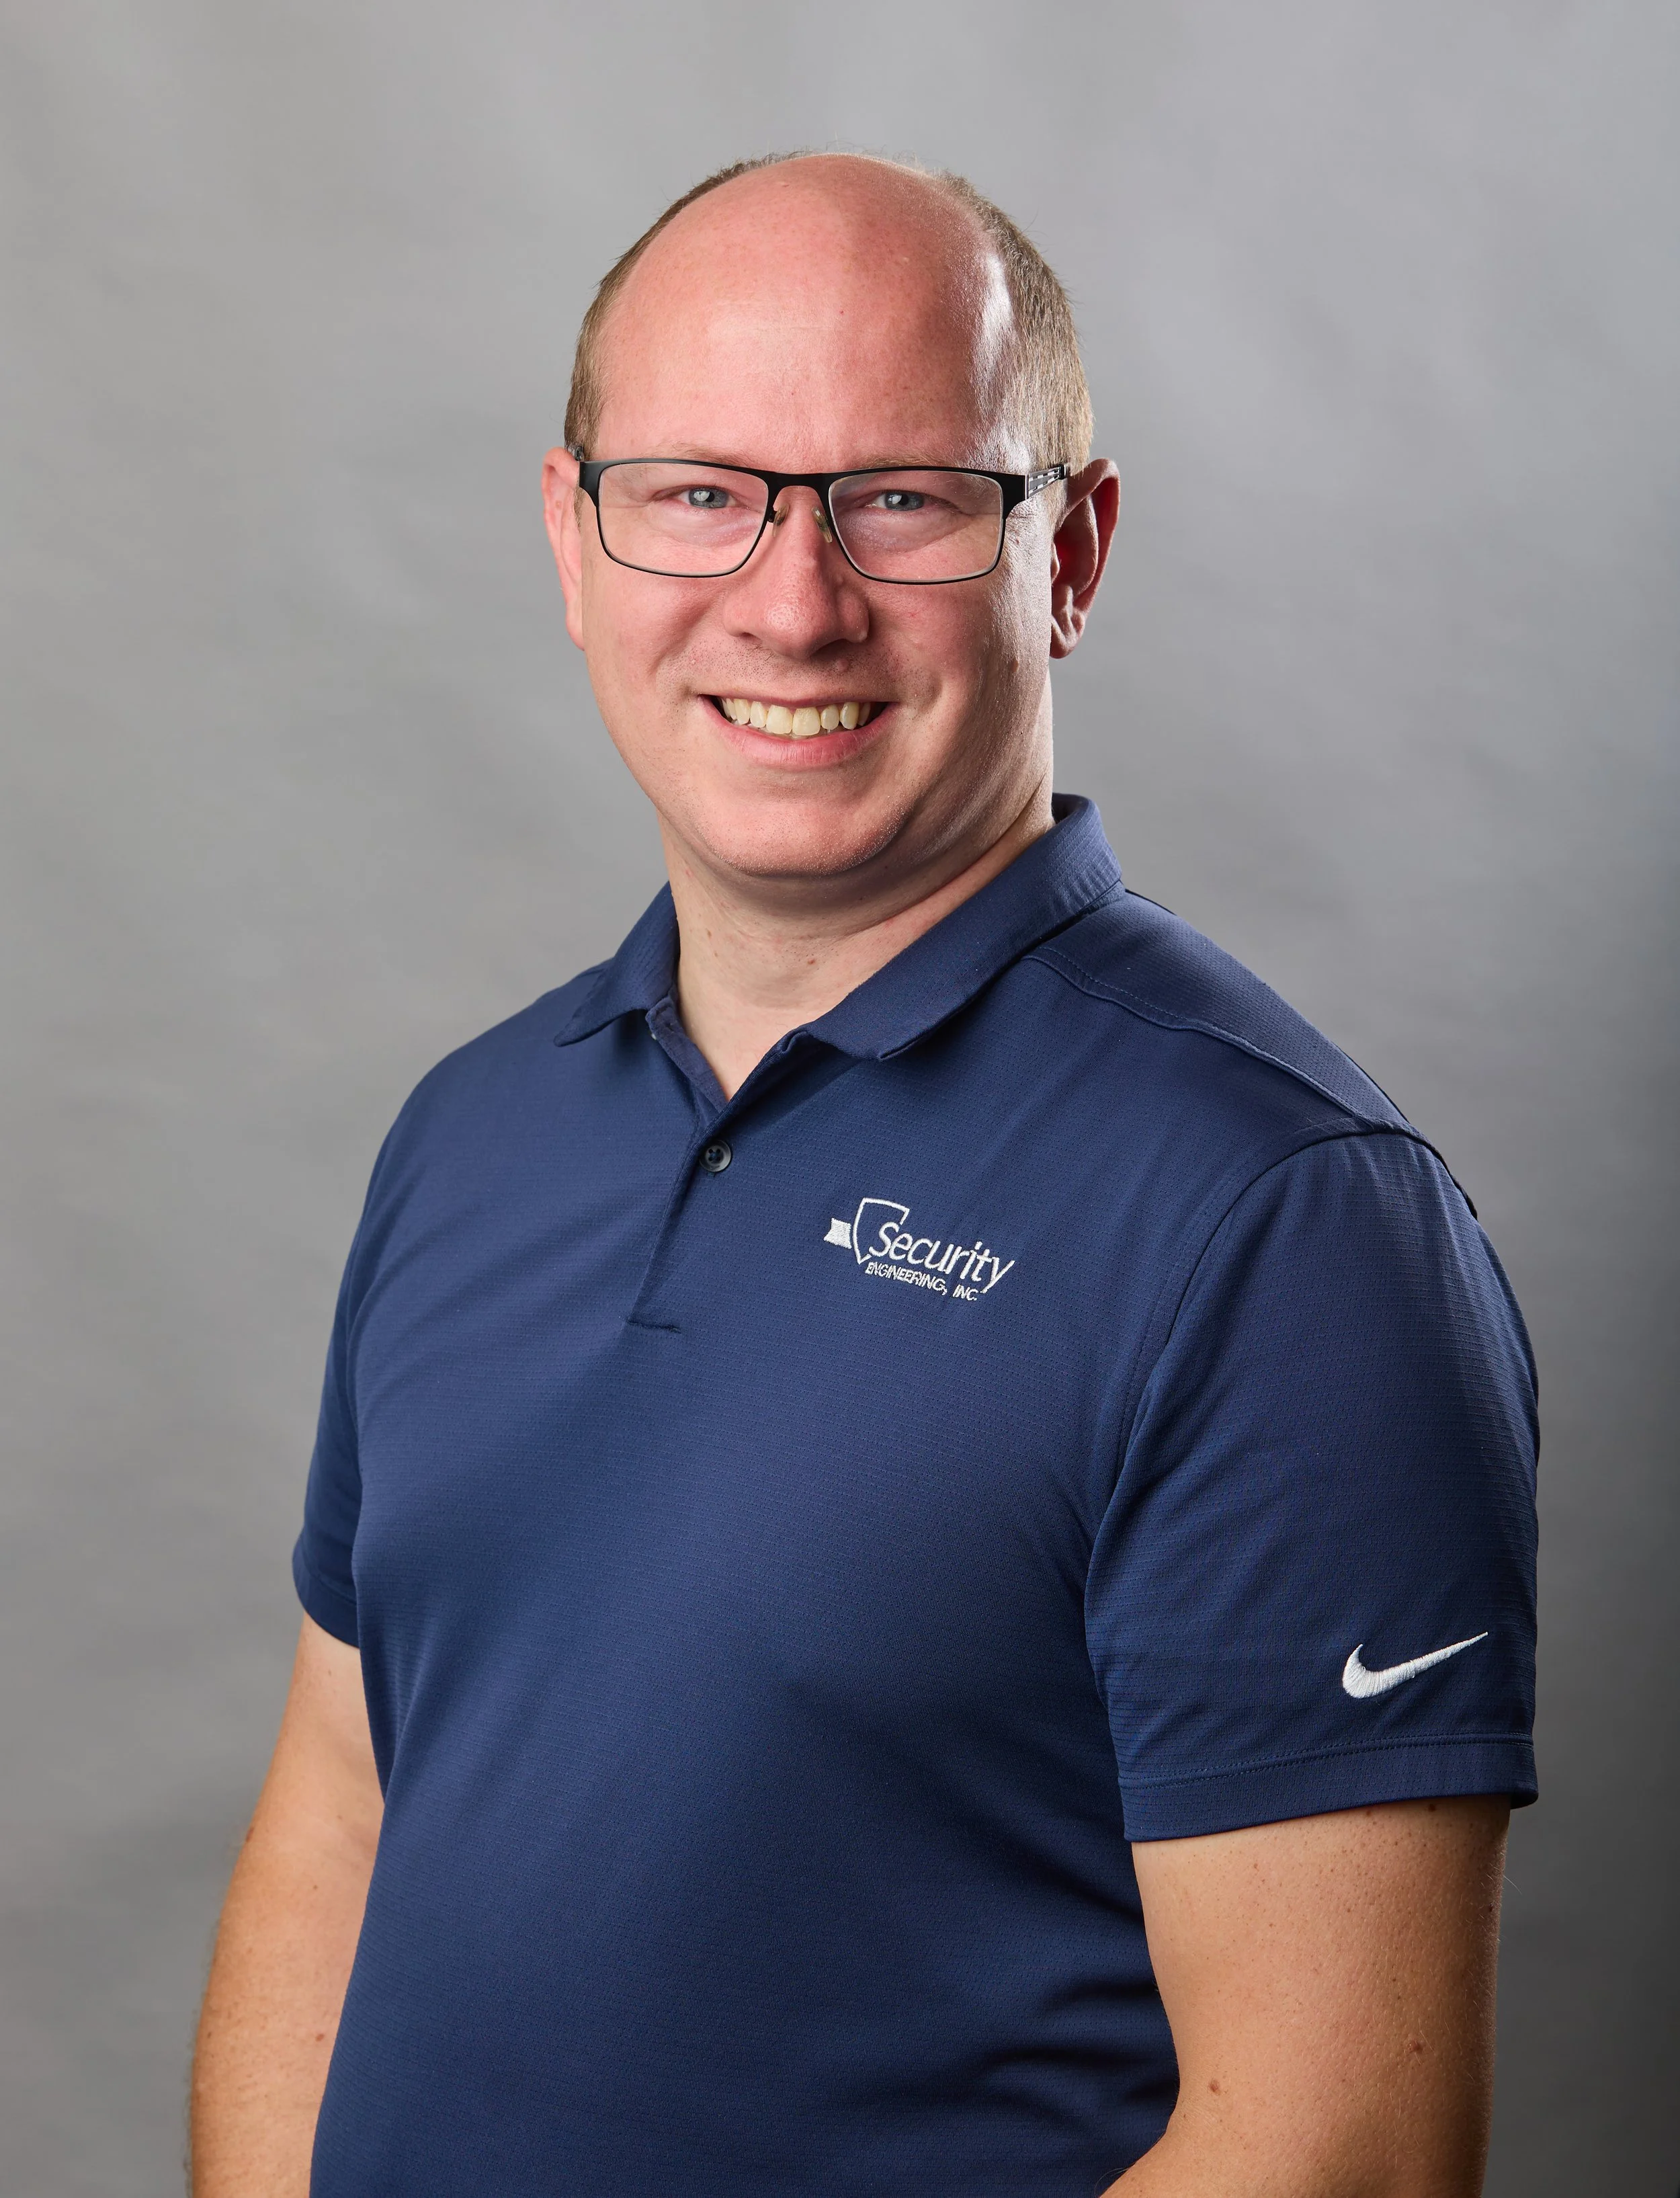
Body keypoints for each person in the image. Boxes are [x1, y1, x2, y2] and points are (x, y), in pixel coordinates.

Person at [190, 152, 1538, 2197]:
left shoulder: (1282, 1225)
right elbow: (341, 1819)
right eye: (697, 489)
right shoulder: (476, 1126)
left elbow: (1330, 2147)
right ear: (573, 537)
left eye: (900, 495)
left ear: (1067, 549)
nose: (790, 595)